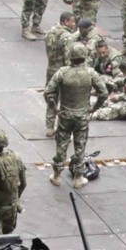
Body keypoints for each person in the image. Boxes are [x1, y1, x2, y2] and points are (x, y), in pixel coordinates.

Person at [48, 43, 101, 187]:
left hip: (65, 113)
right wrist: (94, 108)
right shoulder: (91, 73)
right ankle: (78, 178)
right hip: (82, 115)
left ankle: (57, 175)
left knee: (61, 144)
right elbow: (104, 92)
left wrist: (54, 108)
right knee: (80, 146)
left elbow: (48, 92)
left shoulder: (62, 72)